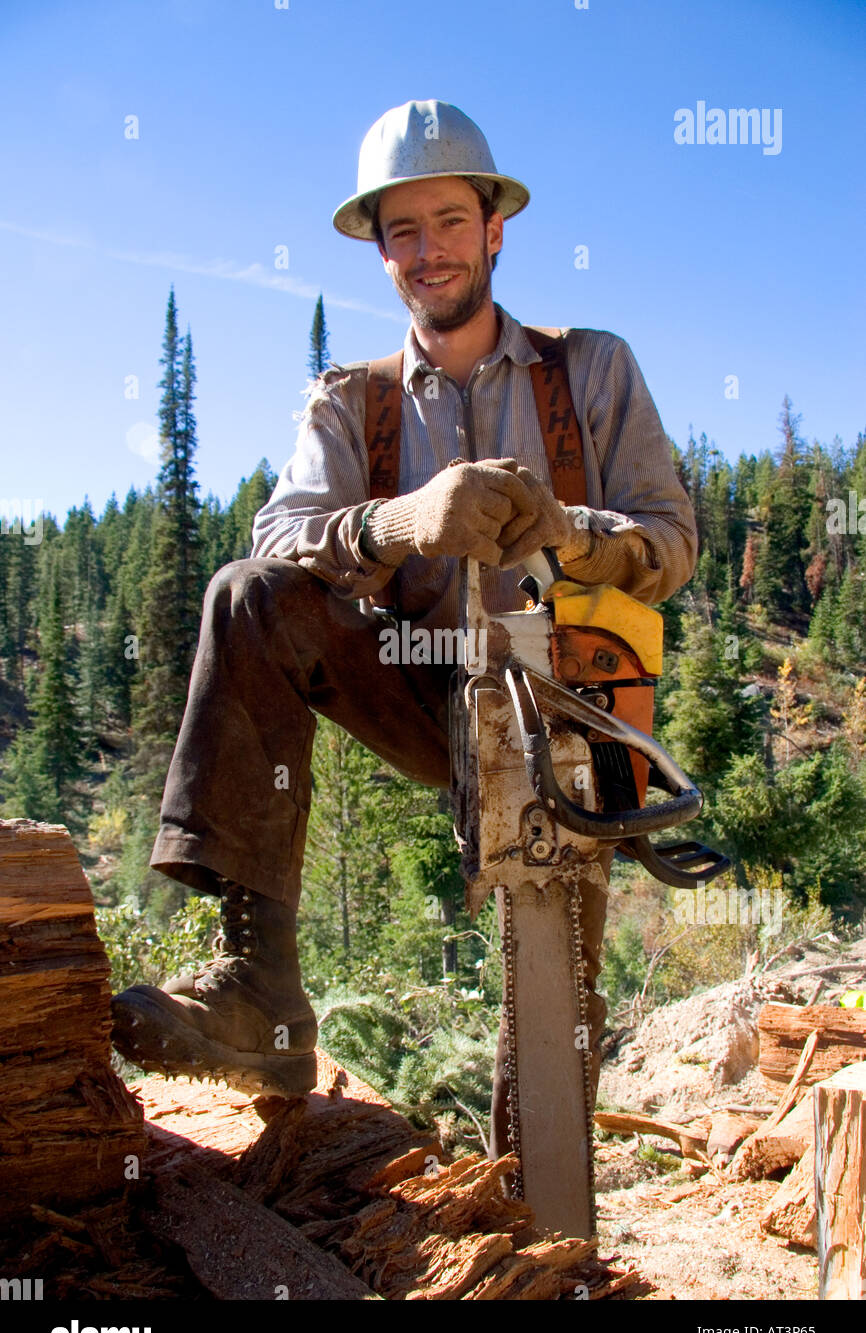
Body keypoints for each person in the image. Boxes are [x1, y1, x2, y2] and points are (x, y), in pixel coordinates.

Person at [111, 100, 697, 1140]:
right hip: (414, 685)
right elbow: (279, 533)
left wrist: (568, 531)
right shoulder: (349, 402)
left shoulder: (591, 369)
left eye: (448, 222)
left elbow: (670, 544)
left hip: (564, 705)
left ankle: (543, 1232)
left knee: (554, 1011)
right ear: (378, 250)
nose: (427, 251)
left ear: (494, 226)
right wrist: (396, 521)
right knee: (246, 599)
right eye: (402, 231)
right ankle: (261, 991)